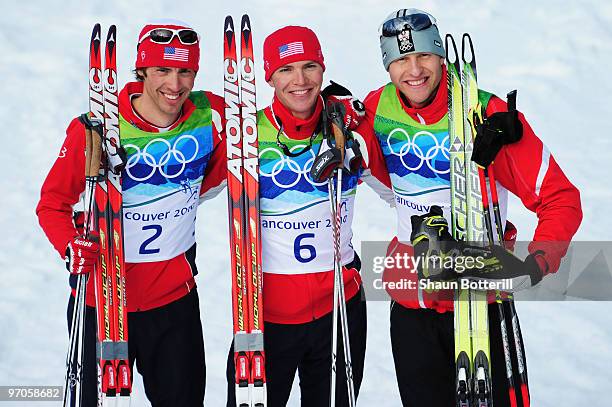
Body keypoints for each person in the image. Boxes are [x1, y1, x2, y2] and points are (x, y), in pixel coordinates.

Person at [356, 8, 583, 407]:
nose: (414, 70)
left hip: (480, 306)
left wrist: (538, 261)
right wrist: (335, 116)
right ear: (387, 66)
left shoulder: (489, 116)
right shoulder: (377, 109)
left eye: (424, 55)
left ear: (441, 55)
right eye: (400, 59)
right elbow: (359, 160)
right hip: (412, 307)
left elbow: (560, 197)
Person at [36, 20, 226, 406]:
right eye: (162, 70)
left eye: (185, 71)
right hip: (101, 303)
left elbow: (220, 176)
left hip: (175, 302)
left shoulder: (210, 118)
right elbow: (52, 203)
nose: (174, 85)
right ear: (141, 70)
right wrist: (70, 244)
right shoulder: (95, 128)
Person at [225, 25, 392, 406]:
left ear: (323, 68)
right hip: (264, 315)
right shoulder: (245, 135)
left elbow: (402, 189)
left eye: (309, 66)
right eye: (285, 70)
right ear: (268, 76)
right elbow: (176, 187)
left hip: (339, 309)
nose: (300, 81)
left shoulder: (350, 127)